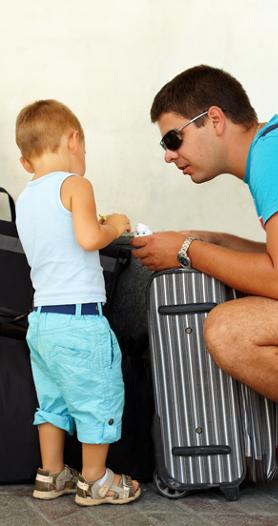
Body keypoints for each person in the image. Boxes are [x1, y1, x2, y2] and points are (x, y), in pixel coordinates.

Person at [132, 65, 278, 511]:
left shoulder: (276, 156)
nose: (169, 156)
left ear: (214, 119)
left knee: (230, 328)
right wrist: (211, 241)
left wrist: (189, 250)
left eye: (173, 139)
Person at [15, 100, 141, 506]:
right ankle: (96, 479)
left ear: (23, 160)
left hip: (42, 323)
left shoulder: (28, 196)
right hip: (79, 321)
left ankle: (51, 474)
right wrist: (115, 224)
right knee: (97, 396)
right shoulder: (75, 184)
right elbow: (89, 238)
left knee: (52, 402)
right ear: (74, 140)